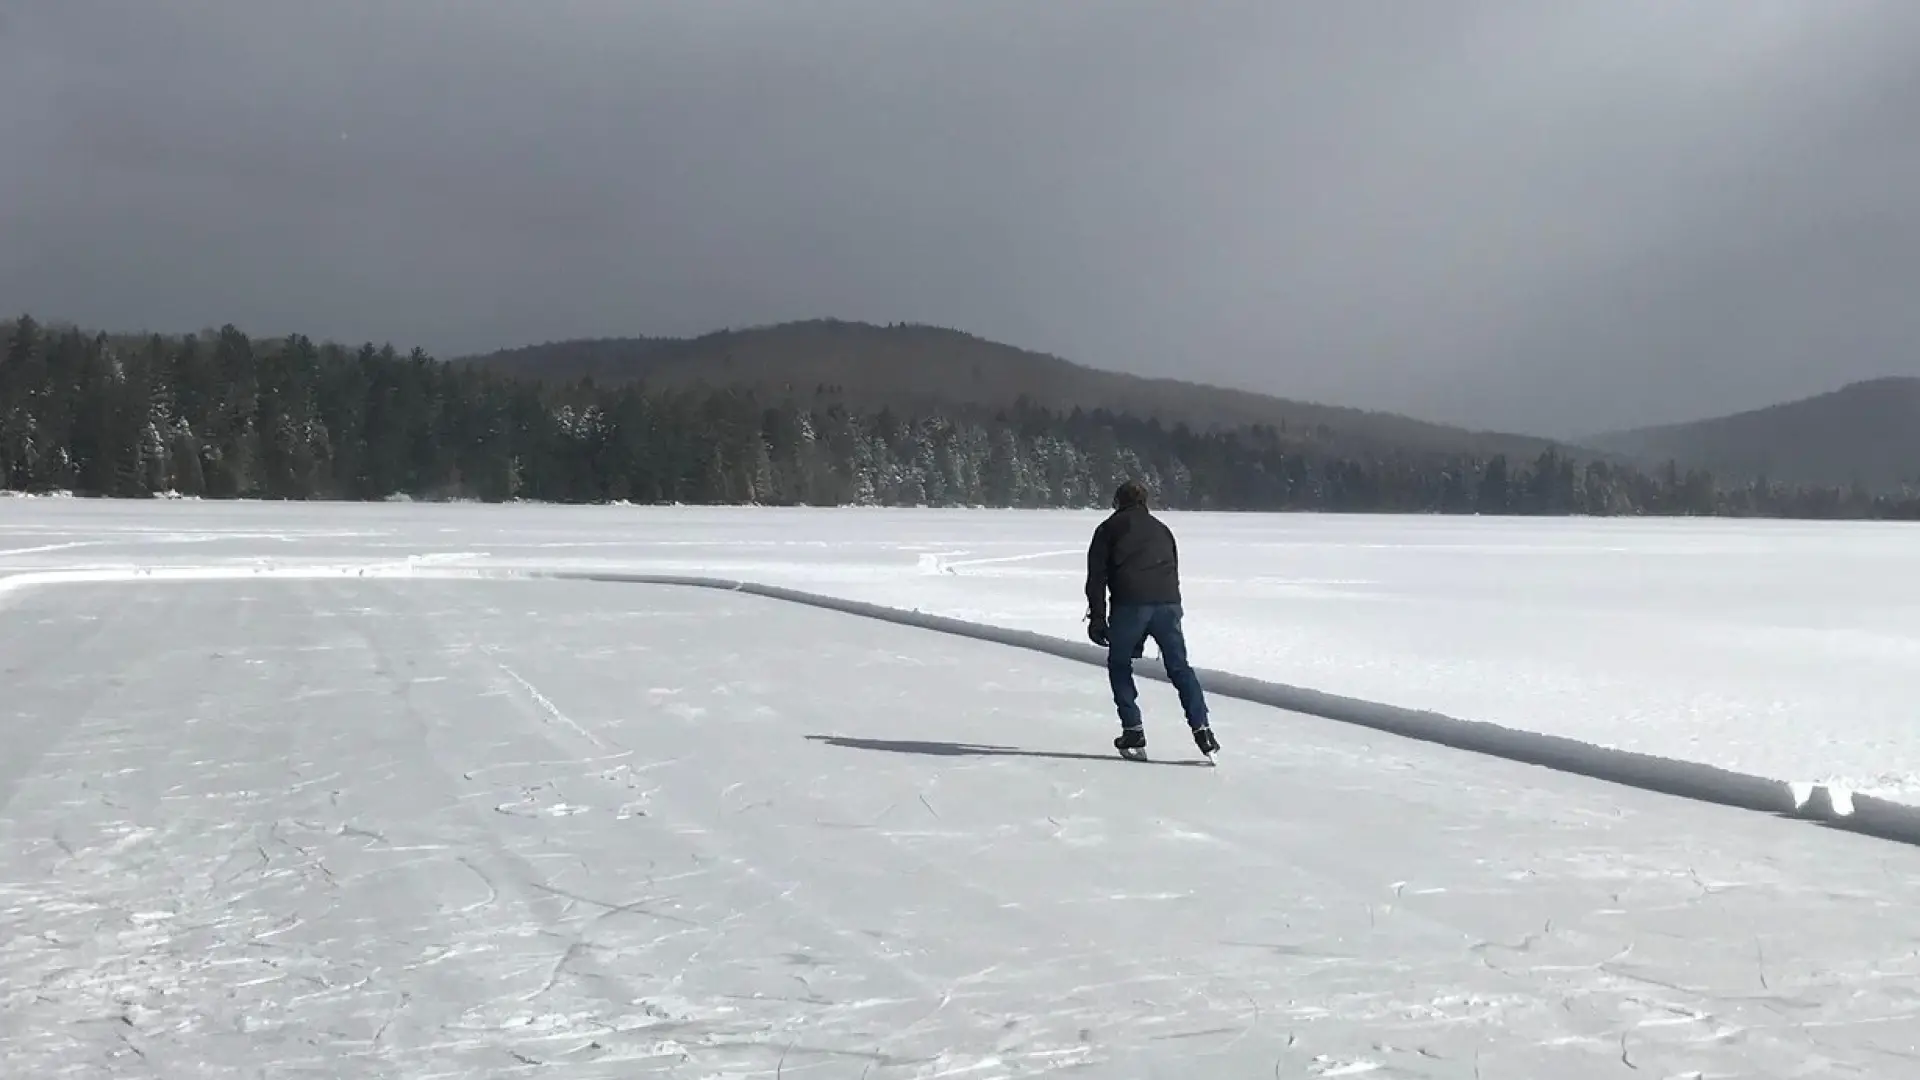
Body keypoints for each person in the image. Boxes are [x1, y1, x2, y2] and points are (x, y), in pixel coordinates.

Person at [1083, 479, 1218, 759]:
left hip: (1130, 605)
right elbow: (1171, 568)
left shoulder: (1108, 529)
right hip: (1168, 604)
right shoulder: (1161, 529)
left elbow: (1097, 578)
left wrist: (1097, 619)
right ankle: (1203, 729)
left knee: (1119, 664)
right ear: (1145, 502)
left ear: (1117, 501)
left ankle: (1133, 728)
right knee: (1180, 667)